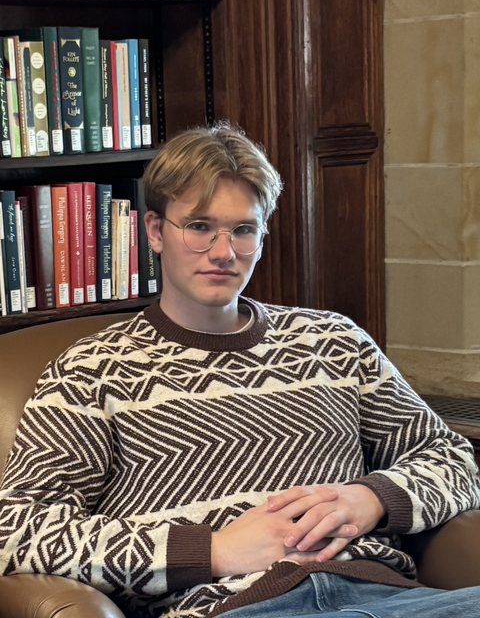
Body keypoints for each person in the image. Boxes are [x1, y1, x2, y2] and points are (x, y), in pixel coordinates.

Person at [1, 122, 480, 618]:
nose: (224, 251)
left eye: (244, 230)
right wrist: (212, 551)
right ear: (155, 230)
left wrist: (372, 498)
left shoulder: (333, 340)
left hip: (388, 597)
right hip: (234, 608)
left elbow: (454, 460)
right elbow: (16, 529)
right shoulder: (92, 371)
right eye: (200, 226)